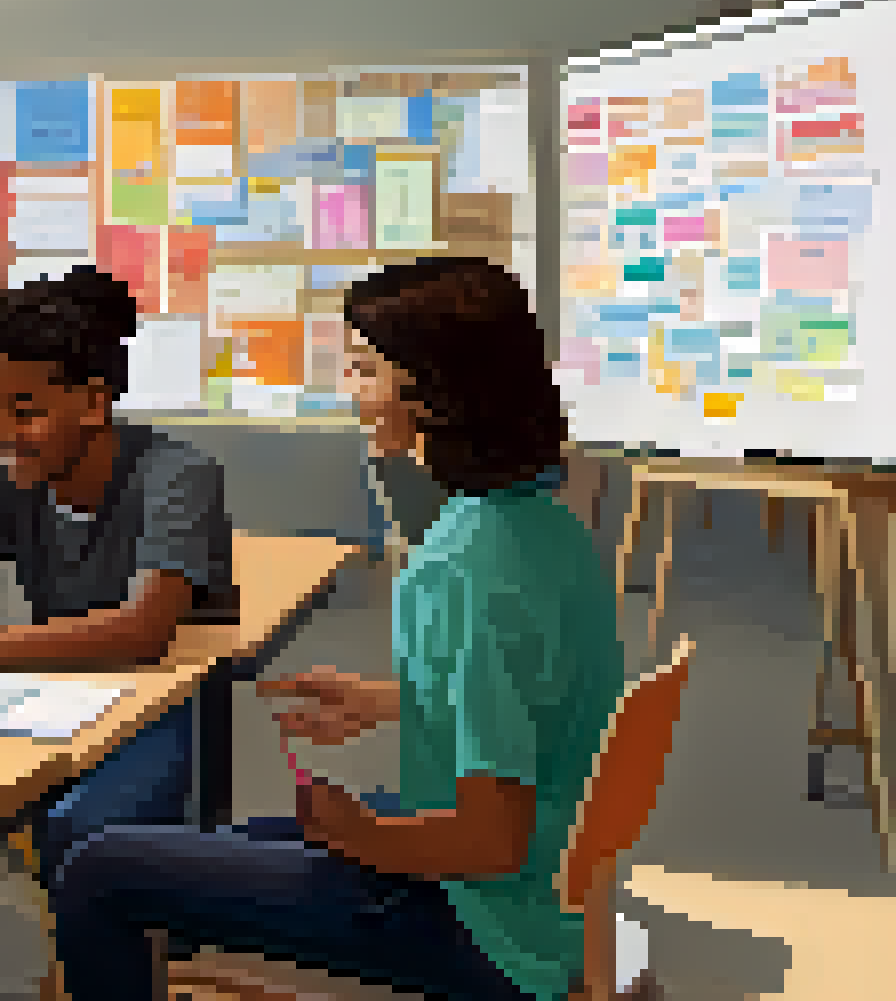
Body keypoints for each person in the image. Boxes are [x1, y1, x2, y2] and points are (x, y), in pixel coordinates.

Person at [45, 257, 626, 1001]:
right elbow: (532, 695)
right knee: (224, 843)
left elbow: (491, 839)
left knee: (97, 871)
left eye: (365, 371)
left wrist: (360, 836)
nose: (353, 393)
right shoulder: (544, 523)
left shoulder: (461, 567)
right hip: (544, 899)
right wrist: (393, 700)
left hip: (482, 927)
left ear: (434, 392)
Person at [0, 267, 236, 890]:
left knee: (80, 832)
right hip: (50, 695)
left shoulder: (178, 474)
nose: (1, 431)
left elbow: (143, 633)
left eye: (25, 412)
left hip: (157, 704)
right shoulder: (2, 470)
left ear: (94, 403)